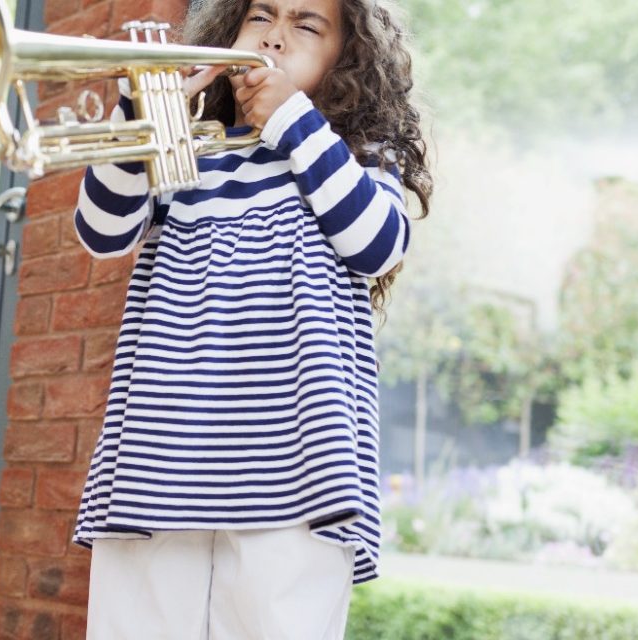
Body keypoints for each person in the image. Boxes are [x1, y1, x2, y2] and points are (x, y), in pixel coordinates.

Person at [73, 0, 432, 637]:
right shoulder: (186, 150)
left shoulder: (354, 153)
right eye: (260, 17)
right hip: (158, 458)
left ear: (346, 56)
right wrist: (142, 114)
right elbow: (101, 234)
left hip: (298, 468)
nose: (273, 38)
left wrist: (293, 118)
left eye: (306, 25)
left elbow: (379, 244)